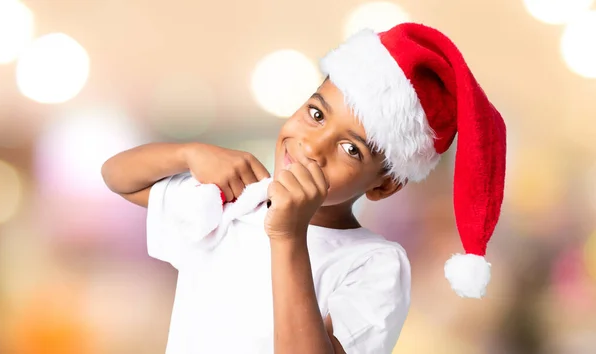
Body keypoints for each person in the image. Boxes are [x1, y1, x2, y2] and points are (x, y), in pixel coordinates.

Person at [102, 23, 506, 354]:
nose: (312, 146)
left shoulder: (374, 264)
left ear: (384, 186)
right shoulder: (239, 202)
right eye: (315, 114)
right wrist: (189, 153)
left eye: (350, 149)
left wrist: (288, 235)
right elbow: (117, 177)